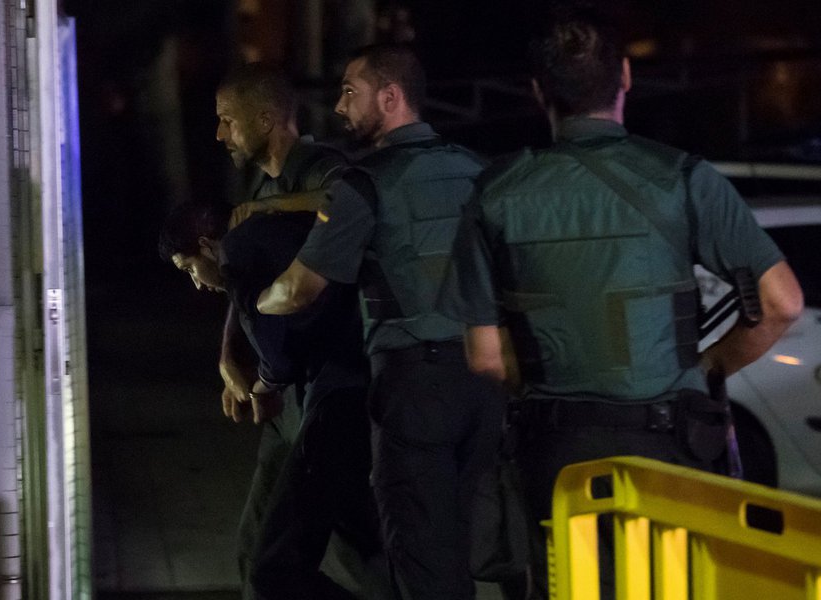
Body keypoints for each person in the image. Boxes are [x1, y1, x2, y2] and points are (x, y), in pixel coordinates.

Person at [437, 6, 804, 598]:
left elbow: (483, 357)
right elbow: (783, 303)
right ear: (626, 78)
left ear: (538, 92)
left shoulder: (496, 195)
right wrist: (710, 366)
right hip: (669, 444)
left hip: (557, 451)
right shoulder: (681, 177)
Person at [255, 44, 506, 600]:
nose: (340, 107)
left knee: (421, 558)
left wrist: (255, 299)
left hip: (415, 388)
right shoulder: (479, 169)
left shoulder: (365, 182)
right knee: (468, 543)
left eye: (351, 91)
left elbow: (299, 289)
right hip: (487, 385)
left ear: (390, 98)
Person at [162, 63, 389, 600]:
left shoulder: (319, 169)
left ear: (265, 118)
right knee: (261, 553)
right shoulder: (261, 182)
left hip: (332, 389)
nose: (219, 135)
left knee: (312, 560)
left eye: (227, 122)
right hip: (293, 403)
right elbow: (247, 283)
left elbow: (350, 201)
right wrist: (229, 356)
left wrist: (264, 209)